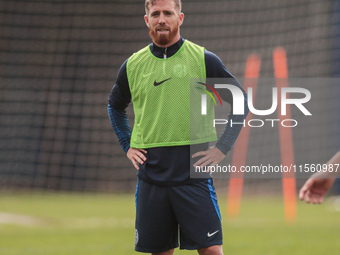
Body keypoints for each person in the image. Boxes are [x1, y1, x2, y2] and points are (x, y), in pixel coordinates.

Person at [107, 0, 248, 254]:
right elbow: (114, 106)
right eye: (155, 14)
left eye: (168, 13)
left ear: (180, 18)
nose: (162, 19)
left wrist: (222, 147)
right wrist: (127, 145)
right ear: (146, 19)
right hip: (151, 174)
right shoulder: (133, 65)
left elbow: (240, 100)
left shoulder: (203, 59)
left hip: (193, 173)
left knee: (212, 251)